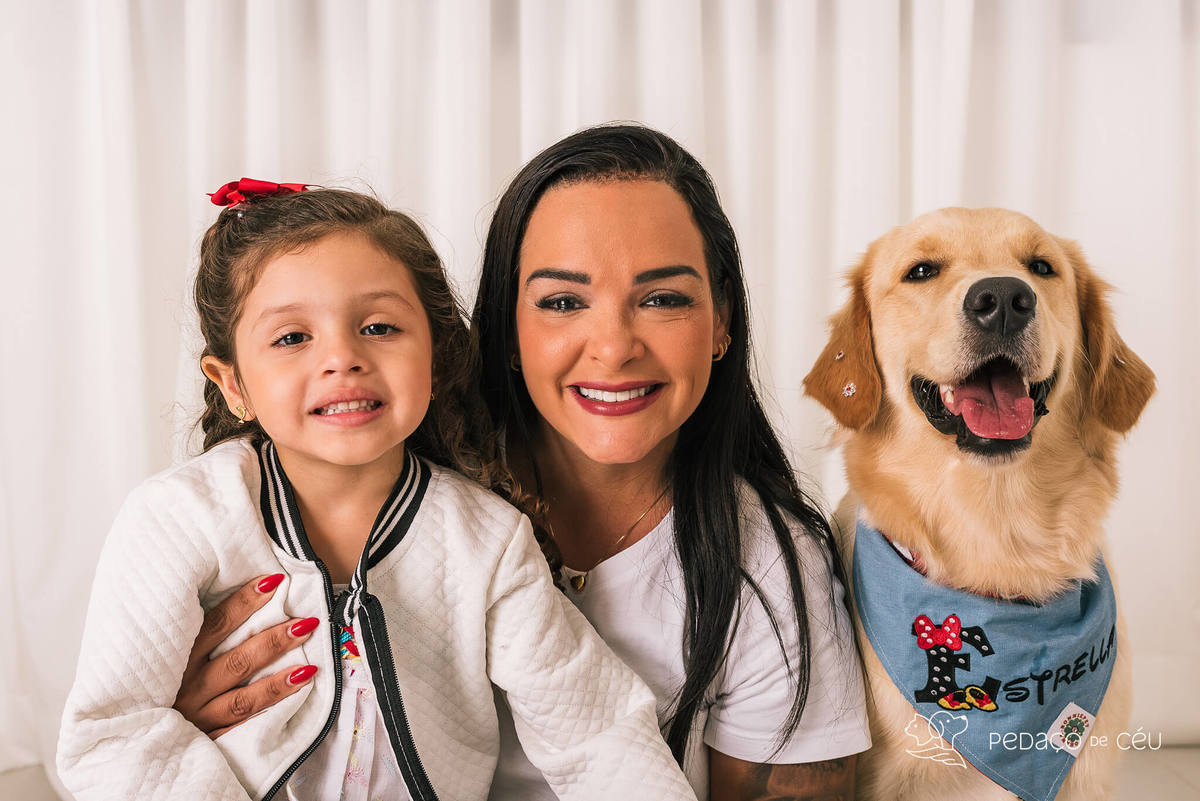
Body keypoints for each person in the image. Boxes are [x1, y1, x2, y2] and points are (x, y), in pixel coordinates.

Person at [171, 125, 872, 800]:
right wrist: (187, 722)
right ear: (505, 325)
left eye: (662, 298)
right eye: (563, 301)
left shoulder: (768, 565)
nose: (612, 346)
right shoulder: (375, 471)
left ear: (721, 320)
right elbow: (132, 728)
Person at [56, 180, 698, 801]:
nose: (342, 358)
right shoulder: (179, 518)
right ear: (234, 385)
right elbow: (114, 732)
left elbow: (594, 730)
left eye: (379, 327)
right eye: (292, 338)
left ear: (438, 356)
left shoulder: (488, 540)